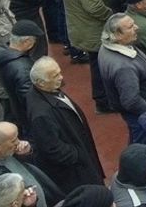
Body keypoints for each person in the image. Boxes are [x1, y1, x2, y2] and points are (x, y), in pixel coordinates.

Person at [24, 56, 104, 194]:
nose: (60, 77)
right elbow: (52, 149)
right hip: (76, 171)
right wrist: (78, 154)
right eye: (54, 76)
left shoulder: (46, 91)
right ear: (40, 83)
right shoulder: (42, 114)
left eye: (59, 72)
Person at [0, 122, 60, 207]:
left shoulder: (4, 152)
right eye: (13, 140)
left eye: (17, 138)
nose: (18, 142)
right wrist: (28, 205)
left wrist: (27, 152)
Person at [0, 21, 41, 131]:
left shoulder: (3, 55)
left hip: (15, 108)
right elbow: (30, 101)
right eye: (34, 40)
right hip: (27, 119)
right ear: (27, 41)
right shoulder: (23, 69)